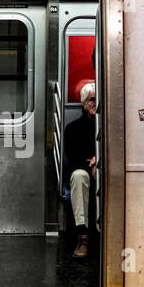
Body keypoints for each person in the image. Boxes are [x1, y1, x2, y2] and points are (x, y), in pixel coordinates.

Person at [63, 82, 98, 259]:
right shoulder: (73, 128)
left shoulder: (110, 125)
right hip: (85, 171)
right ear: (84, 103)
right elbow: (75, 158)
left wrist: (100, 162)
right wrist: (91, 166)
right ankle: (83, 236)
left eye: (98, 99)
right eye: (92, 100)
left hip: (107, 169)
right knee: (78, 176)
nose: (95, 103)